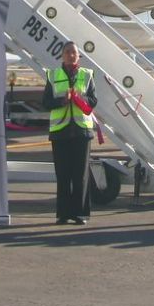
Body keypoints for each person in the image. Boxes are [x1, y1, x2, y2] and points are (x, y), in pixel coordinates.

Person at [42, 41, 98, 225]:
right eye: (67, 52)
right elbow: (46, 102)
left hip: (81, 130)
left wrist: (79, 98)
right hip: (60, 131)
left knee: (81, 175)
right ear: (62, 55)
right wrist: (62, 101)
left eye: (73, 52)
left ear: (78, 55)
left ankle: (80, 214)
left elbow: (93, 100)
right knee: (63, 175)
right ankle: (63, 214)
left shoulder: (87, 74)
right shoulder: (52, 75)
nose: (70, 55)